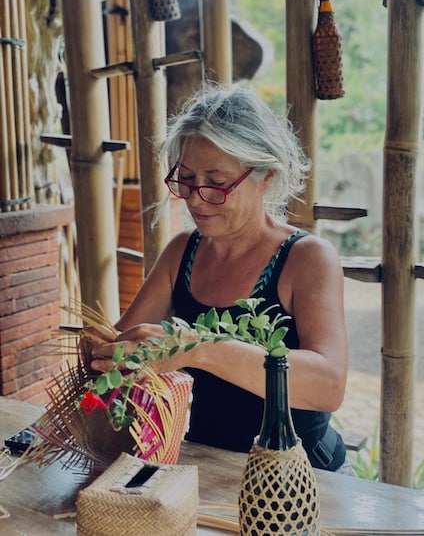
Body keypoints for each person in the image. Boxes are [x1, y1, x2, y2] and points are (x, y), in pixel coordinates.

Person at [90, 83, 350, 473]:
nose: (195, 198)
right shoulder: (183, 252)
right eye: (186, 178)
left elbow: (328, 385)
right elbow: (121, 347)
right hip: (208, 465)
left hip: (302, 476)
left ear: (266, 175)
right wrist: (103, 351)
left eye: (216, 182)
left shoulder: (307, 258)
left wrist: (198, 348)